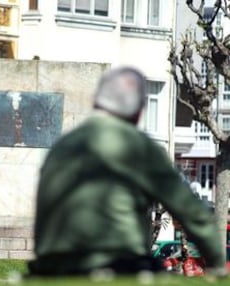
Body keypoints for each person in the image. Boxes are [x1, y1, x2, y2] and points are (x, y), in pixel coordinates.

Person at [27, 67, 226, 277]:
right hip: (115, 265)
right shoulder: (137, 146)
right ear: (139, 109)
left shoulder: (62, 146)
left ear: (96, 101)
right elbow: (193, 215)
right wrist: (216, 263)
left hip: (48, 268)